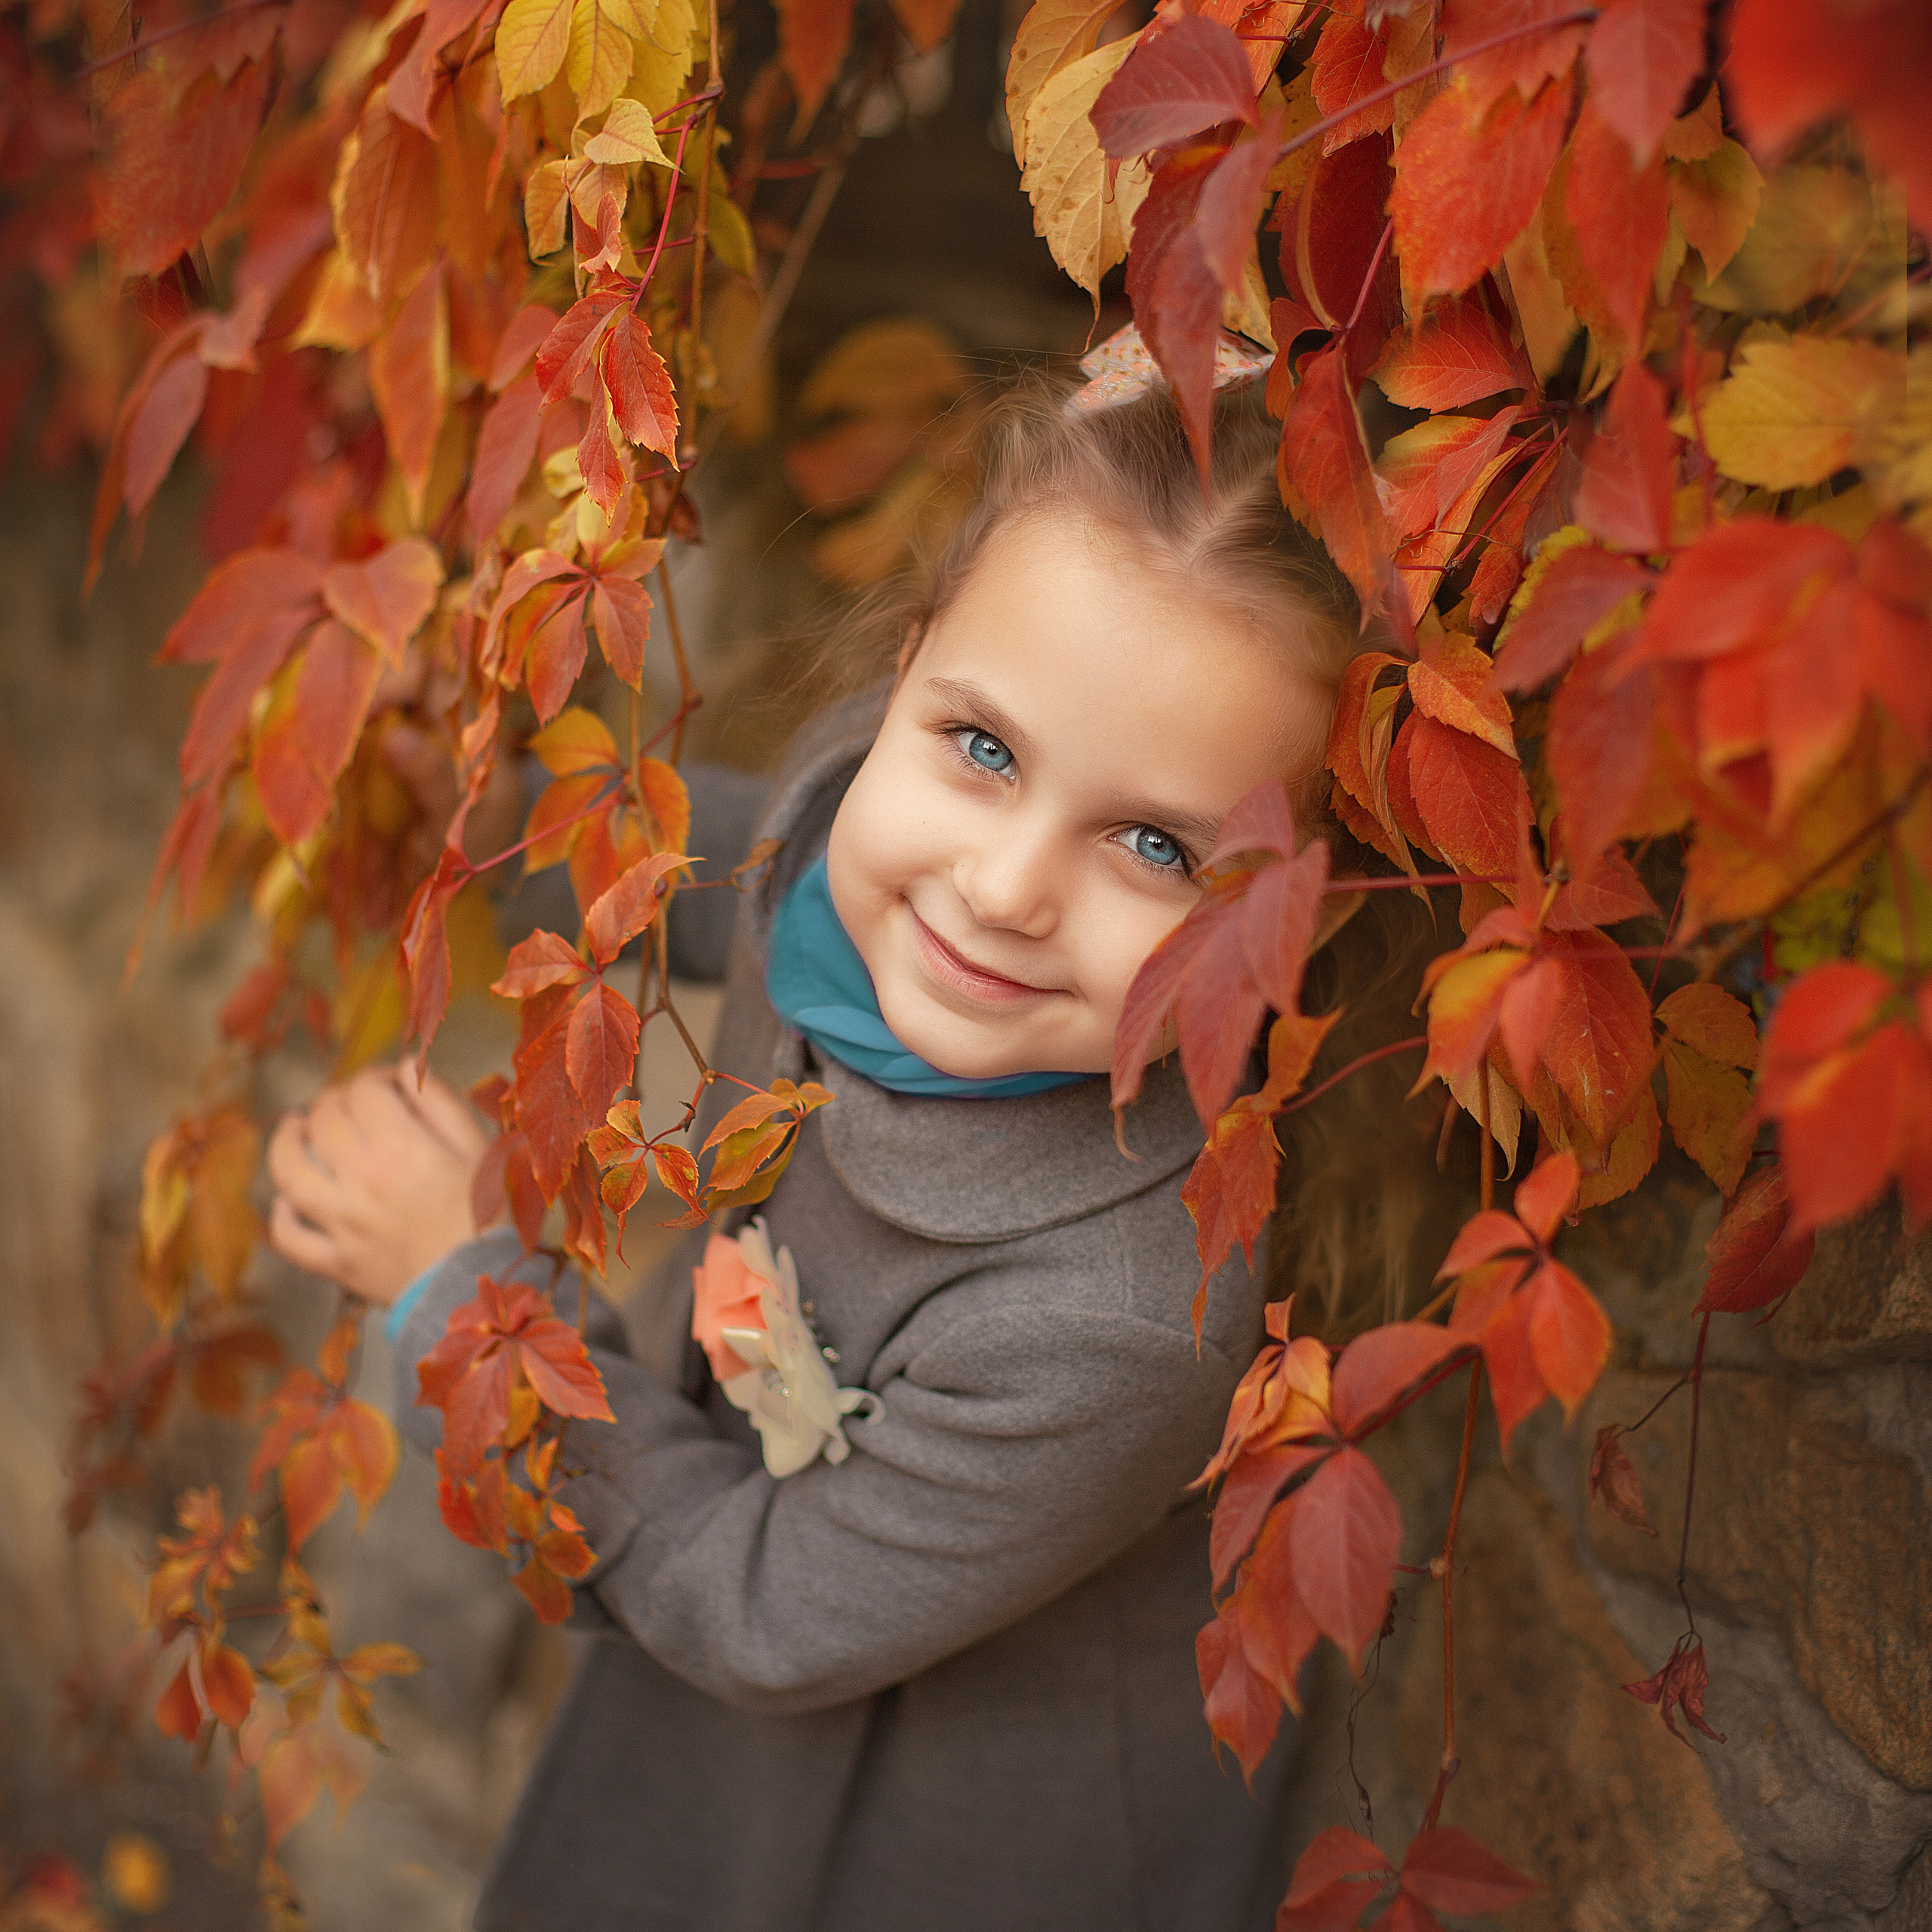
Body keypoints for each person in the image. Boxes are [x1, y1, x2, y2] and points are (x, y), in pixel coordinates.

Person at [265, 375, 1426, 1931]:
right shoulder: (868, 807)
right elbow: (762, 868)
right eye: (980, 748)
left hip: (937, 1821)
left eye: (1156, 846)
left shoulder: (1112, 1318)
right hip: (722, 1611)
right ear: (906, 677)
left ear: (1295, 913)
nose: (1002, 884)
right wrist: (491, 828)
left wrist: (459, 1296)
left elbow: (758, 1600)